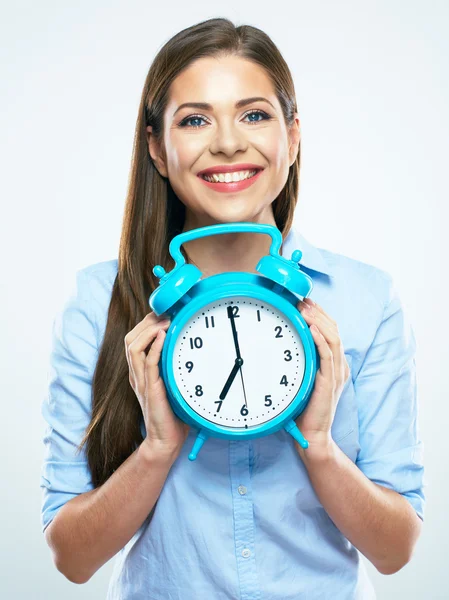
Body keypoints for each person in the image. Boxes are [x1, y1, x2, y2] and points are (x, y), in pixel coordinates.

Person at [40, 17, 425, 600]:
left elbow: (397, 552)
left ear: (292, 138)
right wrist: (157, 448)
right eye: (195, 120)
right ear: (157, 150)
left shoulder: (365, 301)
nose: (227, 142)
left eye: (254, 115)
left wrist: (318, 445)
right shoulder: (101, 304)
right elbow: (71, 557)